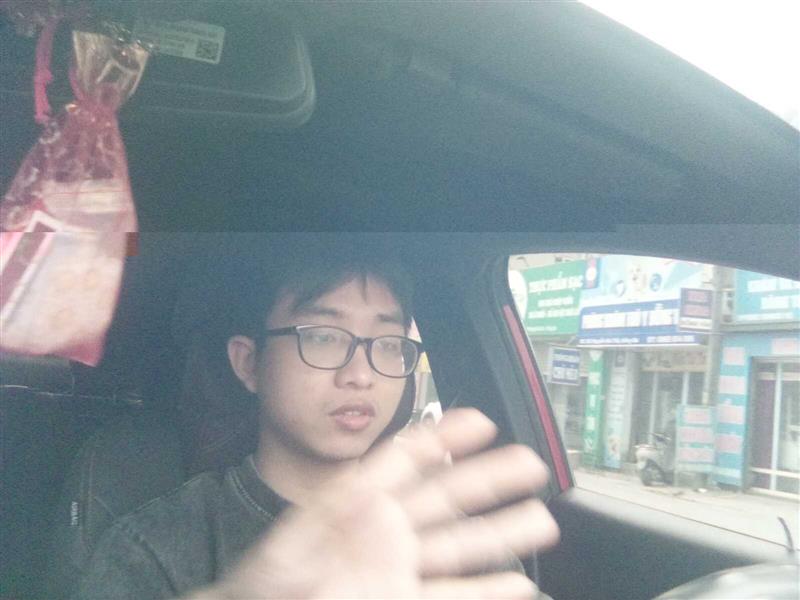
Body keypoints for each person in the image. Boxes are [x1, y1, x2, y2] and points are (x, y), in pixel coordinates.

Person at [75, 239, 559, 599]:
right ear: (249, 363)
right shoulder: (156, 548)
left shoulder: (454, 541)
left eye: (387, 344)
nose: (361, 375)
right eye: (323, 337)